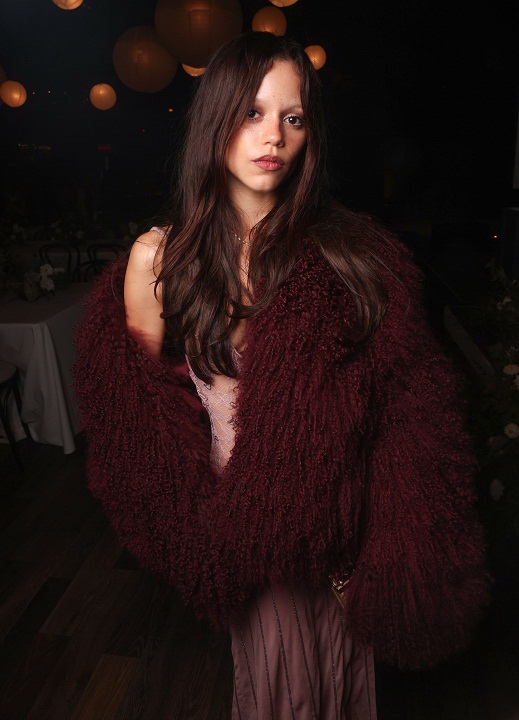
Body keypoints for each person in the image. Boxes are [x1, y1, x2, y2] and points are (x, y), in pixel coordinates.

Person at [75, 32, 490, 720]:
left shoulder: (347, 255)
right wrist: (199, 537)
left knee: (339, 686)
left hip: (342, 536)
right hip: (246, 534)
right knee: (282, 694)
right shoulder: (159, 259)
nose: (273, 136)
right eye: (252, 112)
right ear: (215, 118)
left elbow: (405, 409)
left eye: (292, 117)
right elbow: (135, 419)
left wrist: (388, 545)